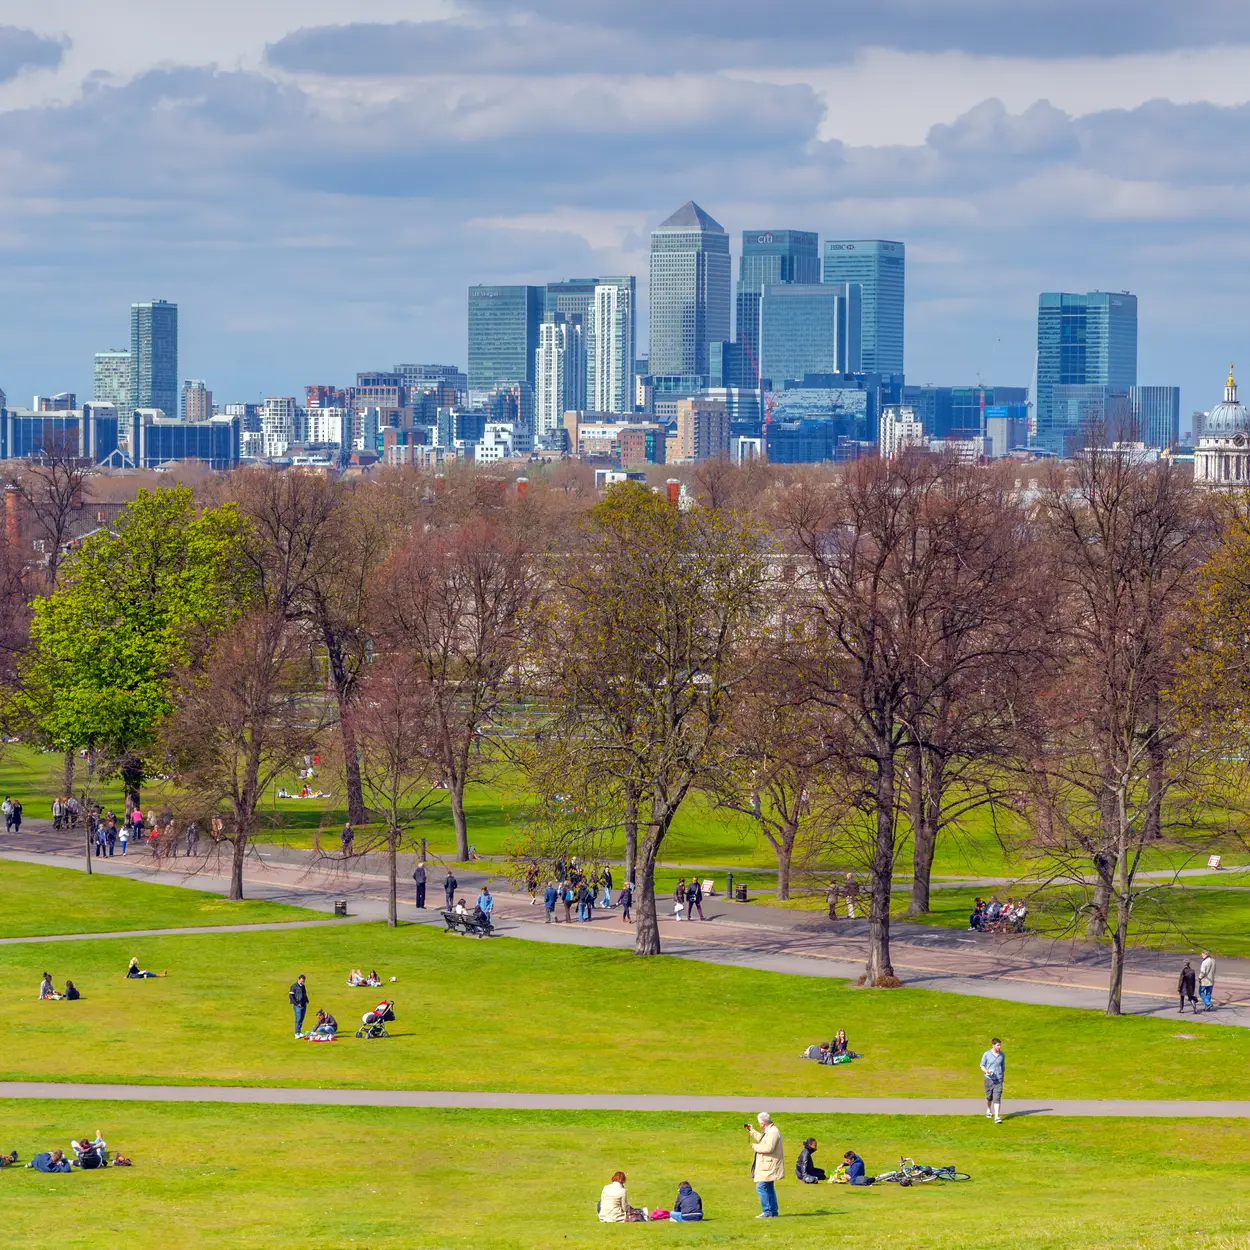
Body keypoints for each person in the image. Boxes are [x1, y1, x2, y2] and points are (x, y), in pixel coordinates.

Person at [747, 1111, 783, 1218]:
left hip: (769, 1165)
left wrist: (755, 1147)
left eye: (760, 1123)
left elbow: (768, 1148)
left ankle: (767, 1211)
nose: (759, 1125)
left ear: (763, 1123)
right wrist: (752, 1131)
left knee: (761, 1187)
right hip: (767, 1164)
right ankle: (773, 1211)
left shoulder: (773, 1132)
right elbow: (764, 1141)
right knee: (768, 1187)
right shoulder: (769, 1130)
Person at [980, 1037, 1005, 1123]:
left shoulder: (1002, 1055)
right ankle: (988, 1109)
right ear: (993, 1045)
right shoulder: (986, 1054)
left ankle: (997, 1117)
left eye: (1000, 1045)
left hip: (998, 1080)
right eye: (998, 1045)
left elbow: (1003, 1068)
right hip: (989, 1079)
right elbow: (982, 1065)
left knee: (997, 1098)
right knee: (989, 1097)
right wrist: (986, 1071)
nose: (999, 1047)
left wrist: (1002, 1079)